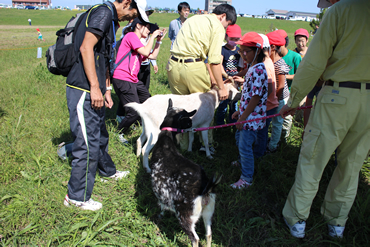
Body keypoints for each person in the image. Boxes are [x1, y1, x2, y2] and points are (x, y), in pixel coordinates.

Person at [281, 0, 370, 239]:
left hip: (338, 96)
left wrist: (294, 100)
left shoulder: (340, 11)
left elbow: (314, 61)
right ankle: (337, 222)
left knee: (313, 160)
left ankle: (297, 219)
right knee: (351, 166)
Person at [63, 0, 149, 211]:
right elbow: (86, 47)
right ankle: (76, 197)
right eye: (133, 13)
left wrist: (107, 89)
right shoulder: (103, 13)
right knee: (87, 143)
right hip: (84, 89)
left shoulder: (109, 17)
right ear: (127, 2)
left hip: (97, 88)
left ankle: (106, 171)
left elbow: (104, 57)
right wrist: (94, 87)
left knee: (100, 135)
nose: (132, 19)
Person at [167, 3, 236, 150]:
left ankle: (184, 146)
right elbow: (215, 61)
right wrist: (222, 88)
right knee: (206, 107)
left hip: (173, 65)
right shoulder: (217, 26)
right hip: (193, 67)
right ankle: (207, 145)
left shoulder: (193, 19)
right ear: (223, 16)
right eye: (226, 25)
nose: (224, 28)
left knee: (180, 108)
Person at [112, 17, 166, 142]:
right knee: (134, 111)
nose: (149, 31)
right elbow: (147, 51)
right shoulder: (131, 36)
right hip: (123, 78)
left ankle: (145, 128)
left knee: (148, 102)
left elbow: (151, 56)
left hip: (133, 80)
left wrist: (158, 42)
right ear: (138, 26)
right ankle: (119, 133)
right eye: (147, 28)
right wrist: (152, 37)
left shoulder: (138, 43)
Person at [230, 32, 268, 189]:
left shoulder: (259, 70)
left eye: (247, 51)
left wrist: (243, 118)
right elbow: (249, 95)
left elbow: (256, 98)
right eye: (241, 51)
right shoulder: (253, 68)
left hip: (251, 119)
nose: (243, 55)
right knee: (240, 142)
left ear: (257, 51)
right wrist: (240, 112)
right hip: (246, 115)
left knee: (245, 147)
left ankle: (246, 178)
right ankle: (242, 161)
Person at [253, 34, 279, 158]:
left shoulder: (265, 65)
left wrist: (257, 100)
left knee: (261, 132)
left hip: (266, 106)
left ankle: (258, 154)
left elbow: (268, 88)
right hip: (267, 105)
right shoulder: (267, 62)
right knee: (261, 131)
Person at [266, 31, 290, 153]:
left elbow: (281, 86)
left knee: (277, 122)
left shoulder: (280, 64)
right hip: (274, 97)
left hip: (280, 98)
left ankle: (273, 146)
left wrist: (276, 100)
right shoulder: (271, 62)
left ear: (273, 47)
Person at [276, 29, 302, 142]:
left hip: (290, 91)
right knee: (278, 118)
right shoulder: (275, 56)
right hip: (278, 92)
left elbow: (300, 75)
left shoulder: (295, 57)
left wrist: (283, 76)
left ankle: (285, 139)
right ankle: (277, 138)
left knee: (287, 118)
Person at [216, 24, 241, 126]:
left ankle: (233, 123)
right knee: (223, 104)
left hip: (235, 82)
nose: (234, 41)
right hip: (225, 81)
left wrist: (239, 77)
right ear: (226, 37)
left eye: (237, 39)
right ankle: (220, 124)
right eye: (232, 39)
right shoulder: (222, 50)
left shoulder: (239, 50)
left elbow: (240, 66)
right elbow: (219, 64)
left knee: (234, 104)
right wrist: (226, 75)